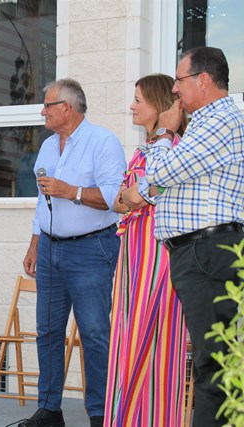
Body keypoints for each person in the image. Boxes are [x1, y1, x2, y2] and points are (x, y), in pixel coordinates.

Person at [139, 47, 244, 427]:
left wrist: (165, 131)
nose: (174, 89)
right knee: (210, 360)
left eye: (179, 80)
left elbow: (161, 173)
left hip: (207, 250)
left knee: (212, 364)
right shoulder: (205, 122)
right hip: (199, 251)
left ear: (203, 80)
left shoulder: (220, 120)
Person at [21, 79, 126, 427]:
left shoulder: (103, 141)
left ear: (67, 107)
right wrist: (35, 243)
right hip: (50, 249)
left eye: (48, 105)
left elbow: (115, 198)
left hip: (92, 249)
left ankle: (101, 414)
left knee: (95, 334)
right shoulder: (49, 146)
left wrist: (71, 191)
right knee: (48, 331)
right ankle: (50, 409)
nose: (43, 111)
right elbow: (41, 199)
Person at [104, 74, 188, 427]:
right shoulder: (144, 149)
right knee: (127, 338)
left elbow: (135, 195)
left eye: (138, 99)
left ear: (158, 103)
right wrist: (131, 196)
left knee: (155, 340)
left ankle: (153, 419)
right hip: (133, 254)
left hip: (158, 255)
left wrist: (132, 196)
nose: (132, 106)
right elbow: (120, 202)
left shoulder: (174, 147)